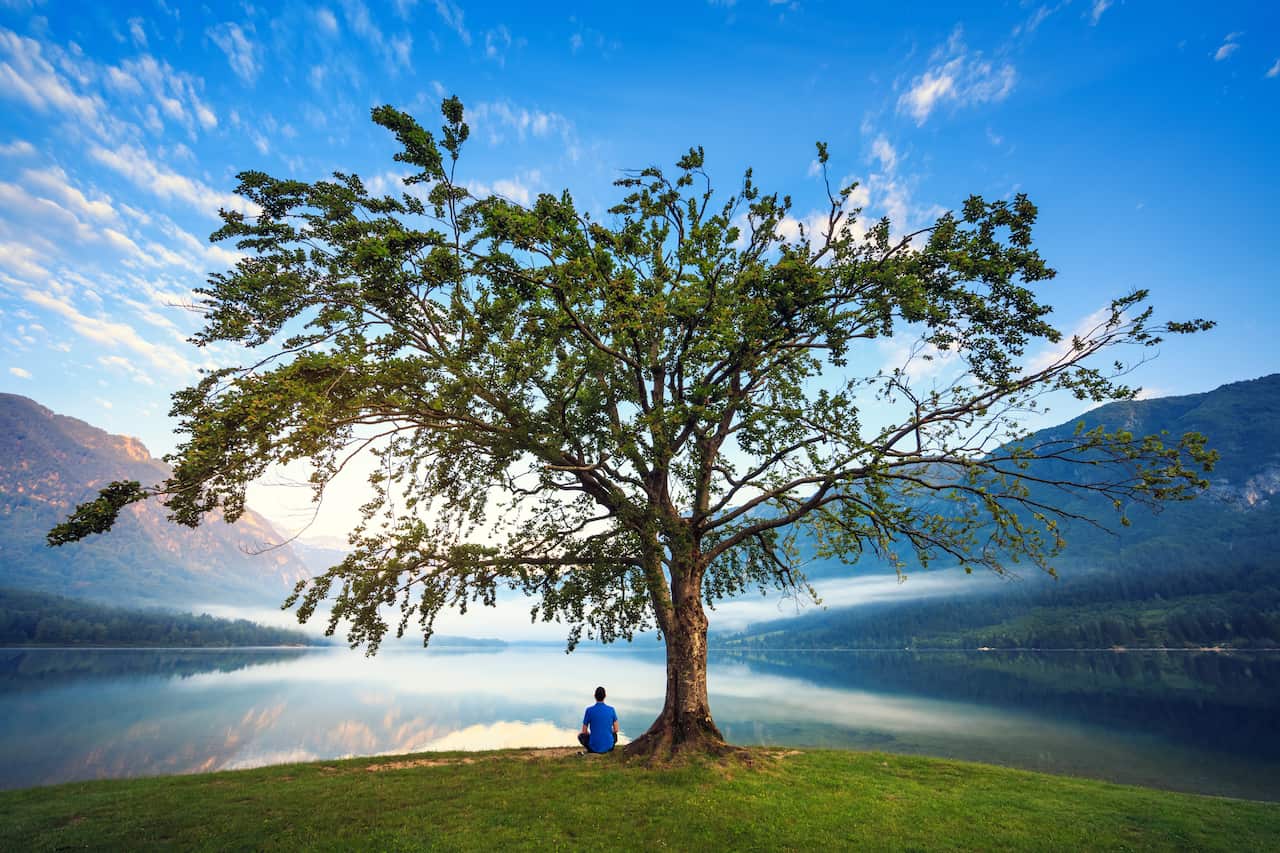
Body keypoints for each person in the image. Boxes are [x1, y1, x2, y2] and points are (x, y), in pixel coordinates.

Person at [578, 685, 618, 753]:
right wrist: (607, 731)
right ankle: (606, 745)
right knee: (614, 735)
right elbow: (616, 729)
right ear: (605, 696)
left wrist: (593, 734)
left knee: (580, 736)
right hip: (609, 747)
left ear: (594, 696)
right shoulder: (612, 710)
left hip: (593, 748)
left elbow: (584, 731)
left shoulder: (589, 710)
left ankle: (592, 748)